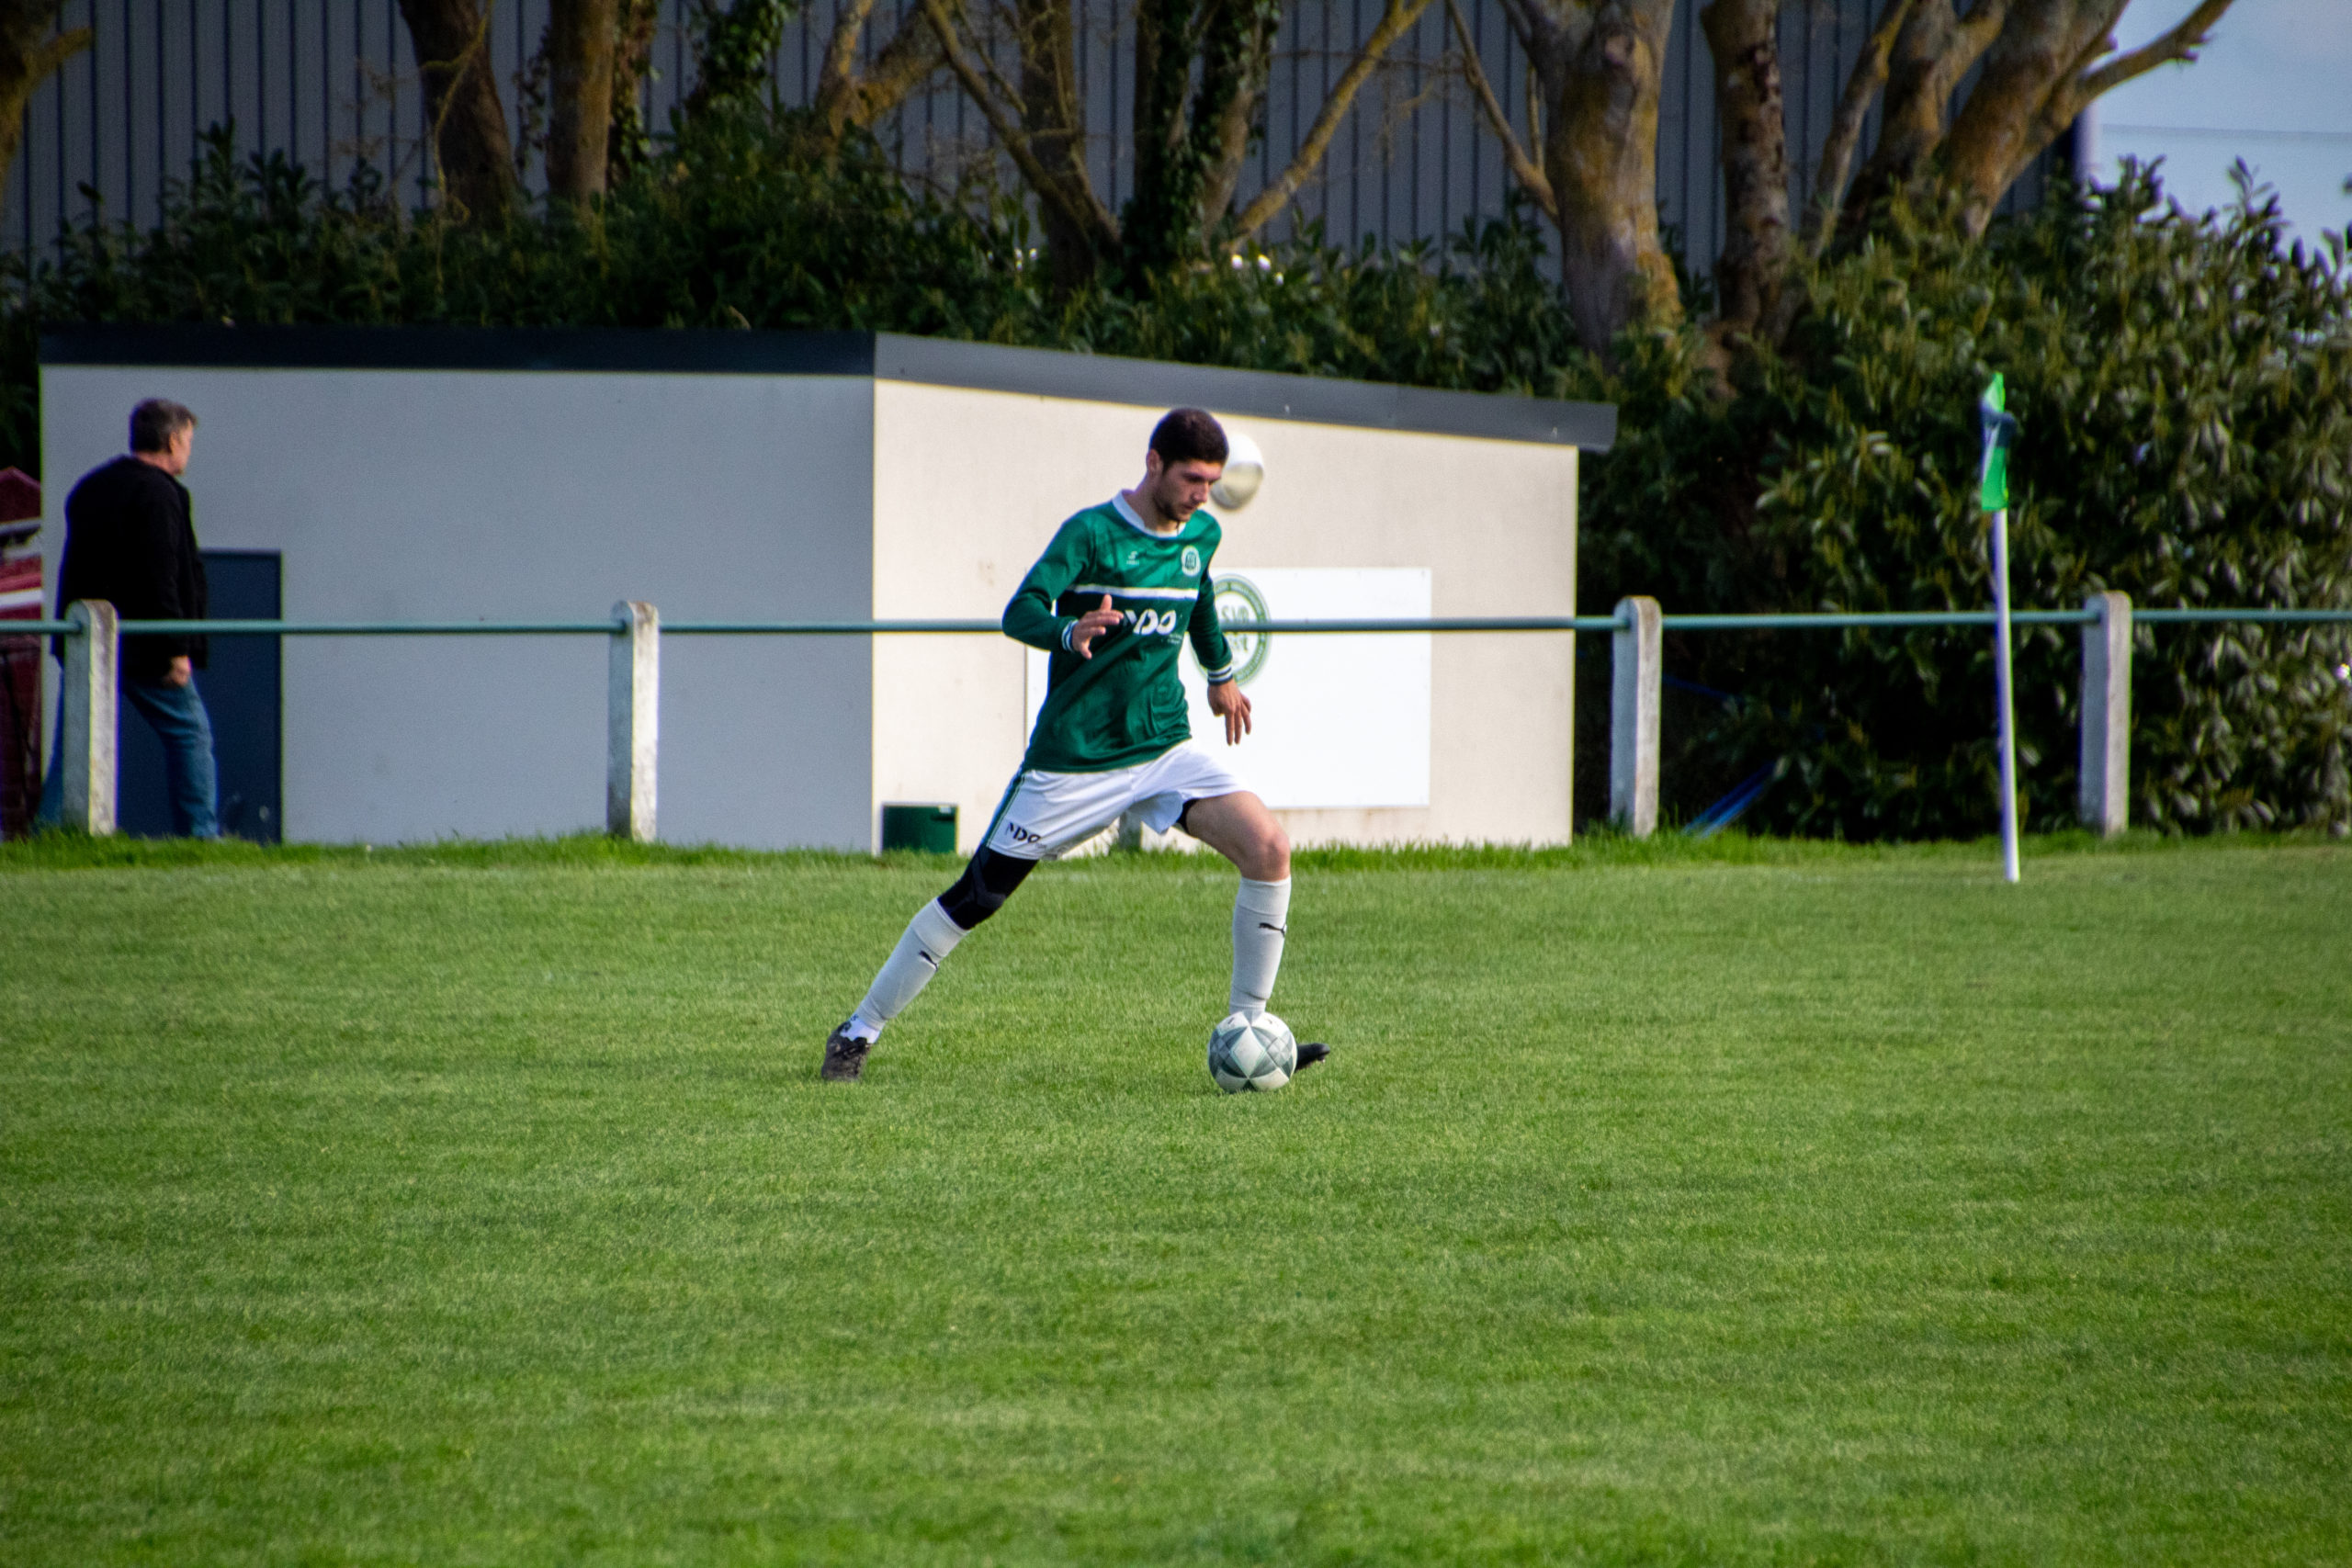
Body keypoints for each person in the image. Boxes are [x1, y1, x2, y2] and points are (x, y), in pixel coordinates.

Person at [823, 408, 1328, 1082]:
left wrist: (1221, 674)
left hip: (1163, 748)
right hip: (1075, 759)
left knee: (1268, 848)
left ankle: (1251, 1032)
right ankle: (857, 1032)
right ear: (1153, 463)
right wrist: (1068, 631)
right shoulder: (1090, 534)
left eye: (1211, 482)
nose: (1202, 495)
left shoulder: (1201, 535)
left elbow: (1199, 595)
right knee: (977, 898)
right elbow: (1020, 610)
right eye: (1191, 479)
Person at [38, 399, 219, 838]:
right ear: (172, 440)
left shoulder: (91, 487)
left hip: (87, 640)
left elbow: (74, 569)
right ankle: (200, 833)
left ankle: (51, 832)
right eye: (188, 441)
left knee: (75, 742)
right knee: (190, 733)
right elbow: (162, 574)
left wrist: (72, 640)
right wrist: (176, 647)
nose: (189, 451)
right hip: (145, 645)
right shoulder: (161, 494)